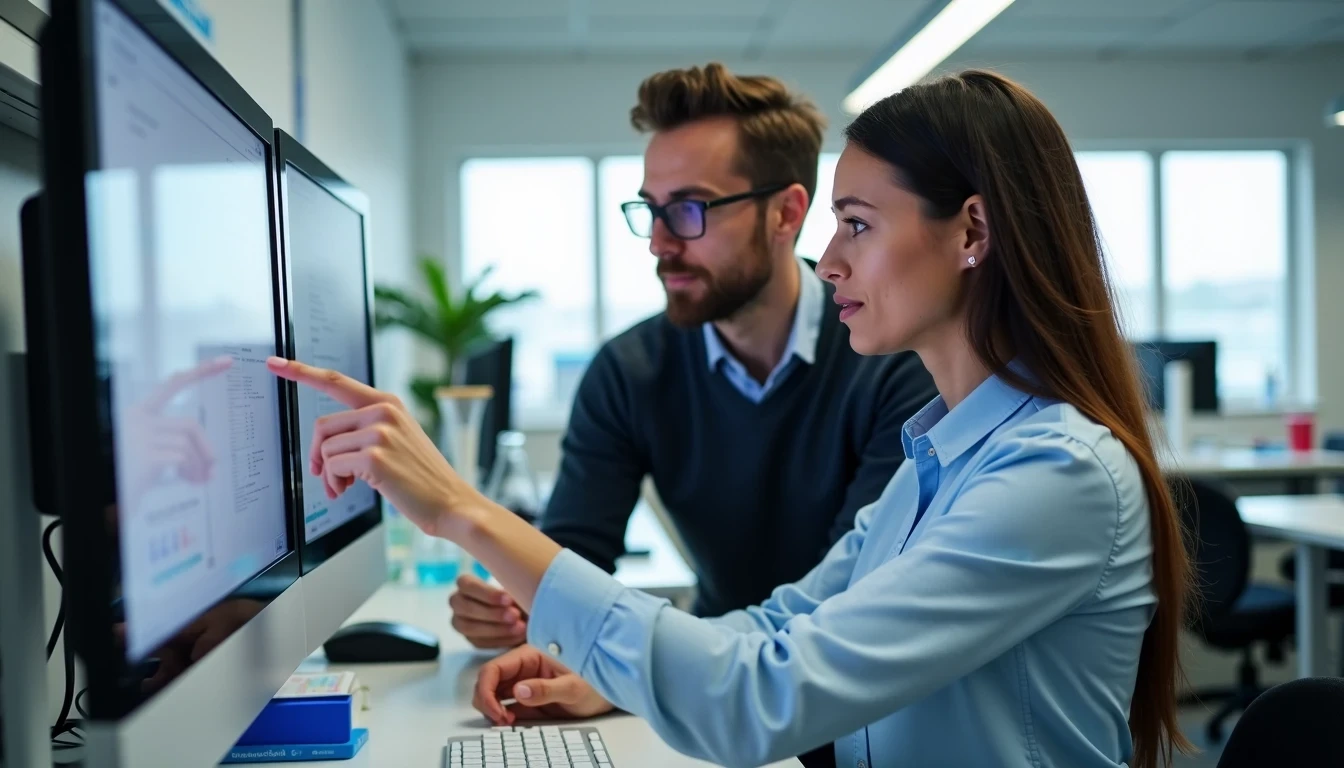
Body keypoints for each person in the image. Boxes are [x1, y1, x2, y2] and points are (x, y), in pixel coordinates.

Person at [269, 69, 1193, 768]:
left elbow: (765, 695)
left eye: (859, 225)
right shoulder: (940, 455)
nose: (830, 260)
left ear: (973, 233)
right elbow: (784, 623)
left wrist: (461, 511)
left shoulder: (1051, 476)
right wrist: (609, 677)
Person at [448, 62, 935, 650]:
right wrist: (526, 604)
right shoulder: (628, 371)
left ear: (786, 213)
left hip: (846, 684)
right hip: (713, 669)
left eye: (690, 209)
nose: (659, 242)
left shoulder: (894, 361)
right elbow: (576, 559)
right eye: (651, 209)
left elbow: (851, 597)